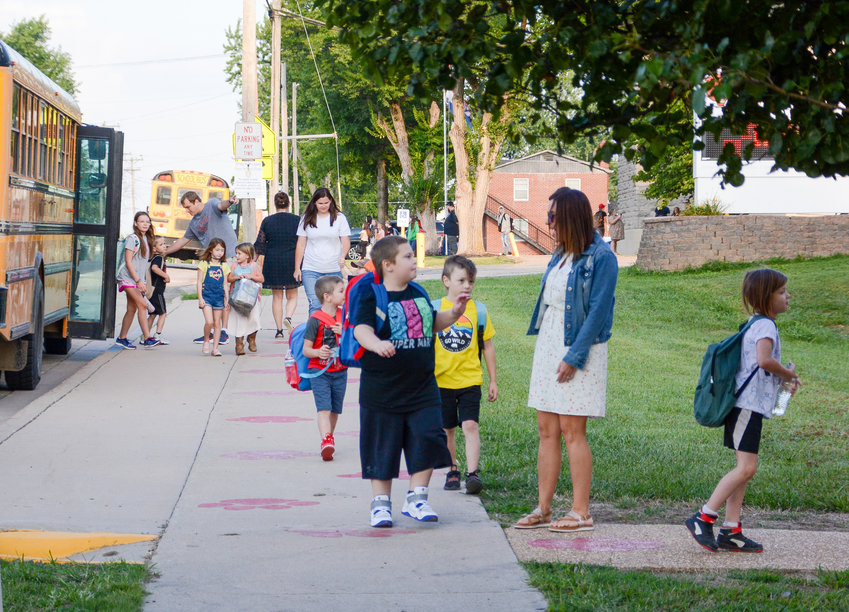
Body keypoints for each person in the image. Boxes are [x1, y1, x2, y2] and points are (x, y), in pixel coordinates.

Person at [513, 187, 618, 532]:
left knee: (573, 430)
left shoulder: (601, 257)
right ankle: (543, 508)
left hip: (580, 346)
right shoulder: (560, 253)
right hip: (549, 343)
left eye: (553, 215)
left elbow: (599, 313)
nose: (548, 221)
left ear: (570, 216)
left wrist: (574, 356)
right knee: (547, 430)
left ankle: (581, 511)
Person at [353, 236, 468, 528]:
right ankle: (380, 505)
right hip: (382, 390)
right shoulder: (372, 295)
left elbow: (431, 323)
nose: (413, 260)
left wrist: (453, 313)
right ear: (388, 265)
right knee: (383, 446)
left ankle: (417, 497)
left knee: (427, 438)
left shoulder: (417, 291)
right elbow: (360, 330)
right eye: (407, 256)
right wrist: (376, 344)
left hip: (422, 388)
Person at [685, 269, 800, 554]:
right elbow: (764, 361)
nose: (788, 296)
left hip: (748, 407)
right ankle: (703, 517)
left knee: (744, 470)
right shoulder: (766, 327)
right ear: (766, 296)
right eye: (782, 292)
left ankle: (730, 530)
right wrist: (787, 373)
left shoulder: (757, 323)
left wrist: (782, 378)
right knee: (747, 468)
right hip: (747, 406)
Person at [434, 255, 497, 494]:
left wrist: (493, 380)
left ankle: (472, 474)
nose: (467, 285)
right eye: (461, 280)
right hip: (442, 381)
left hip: (470, 380)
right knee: (447, 429)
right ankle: (452, 470)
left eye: (471, 281)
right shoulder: (435, 308)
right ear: (446, 281)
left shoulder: (478, 311)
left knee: (470, 425)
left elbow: (487, 347)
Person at [166, 190, 239, 345]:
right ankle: (213, 330)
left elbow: (222, 205)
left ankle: (223, 332)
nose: (187, 211)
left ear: (197, 201)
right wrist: (164, 252)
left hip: (228, 256)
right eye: (185, 208)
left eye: (188, 206)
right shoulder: (193, 223)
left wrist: (231, 201)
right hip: (212, 261)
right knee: (212, 293)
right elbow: (182, 241)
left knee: (224, 293)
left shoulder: (211, 204)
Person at [302, 275, 347, 461]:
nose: (344, 295)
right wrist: (318, 352)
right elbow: (306, 350)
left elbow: (353, 343)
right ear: (327, 297)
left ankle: (329, 438)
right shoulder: (315, 320)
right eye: (341, 291)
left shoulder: (344, 316)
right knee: (324, 409)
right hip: (319, 371)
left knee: (335, 410)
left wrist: (343, 332)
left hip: (340, 371)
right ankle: (326, 439)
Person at [293, 187, 351, 314]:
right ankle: (313, 333)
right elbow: (301, 244)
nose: (323, 206)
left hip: (333, 269)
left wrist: (343, 255)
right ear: (314, 203)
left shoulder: (339, 218)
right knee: (315, 303)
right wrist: (297, 267)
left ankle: (330, 332)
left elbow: (345, 240)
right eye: (320, 203)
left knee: (332, 304)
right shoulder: (306, 218)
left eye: (326, 203)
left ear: (330, 201)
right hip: (311, 268)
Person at [255, 192, 301, 339]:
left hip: (273, 261)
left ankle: (279, 330)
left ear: (275, 205)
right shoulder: (297, 220)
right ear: (289, 204)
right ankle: (288, 317)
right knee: (292, 295)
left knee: (277, 297)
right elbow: (303, 242)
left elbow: (260, 244)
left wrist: (252, 261)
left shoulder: (267, 221)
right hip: (292, 260)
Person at [115, 212, 160, 349]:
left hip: (136, 279)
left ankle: (122, 338)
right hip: (127, 278)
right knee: (142, 305)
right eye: (142, 221)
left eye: (147, 221)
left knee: (132, 309)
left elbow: (141, 263)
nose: (145, 224)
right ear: (136, 223)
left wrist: (142, 281)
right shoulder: (133, 239)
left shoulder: (146, 239)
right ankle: (147, 338)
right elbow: (128, 261)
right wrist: (138, 280)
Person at [227, 242, 264, 356]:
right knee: (240, 321)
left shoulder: (253, 266)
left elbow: (261, 279)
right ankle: (239, 344)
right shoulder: (234, 266)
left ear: (247, 255)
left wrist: (251, 276)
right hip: (237, 299)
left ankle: (251, 338)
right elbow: (229, 278)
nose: (237, 256)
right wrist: (236, 277)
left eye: (239, 253)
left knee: (254, 319)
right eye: (236, 253)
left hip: (251, 299)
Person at [196, 238, 231, 357]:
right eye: (217, 250)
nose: (220, 252)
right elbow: (199, 282)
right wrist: (200, 298)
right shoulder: (204, 264)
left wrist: (227, 299)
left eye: (222, 250)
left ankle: (215, 348)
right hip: (207, 296)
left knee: (217, 323)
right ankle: (206, 339)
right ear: (211, 250)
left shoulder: (224, 266)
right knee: (209, 322)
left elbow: (225, 284)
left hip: (219, 297)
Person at [147, 236, 171, 345]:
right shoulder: (158, 258)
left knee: (153, 314)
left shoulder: (151, 258)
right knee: (163, 313)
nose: (164, 246)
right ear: (154, 248)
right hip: (157, 291)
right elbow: (154, 268)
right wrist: (166, 276)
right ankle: (157, 336)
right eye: (161, 245)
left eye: (164, 243)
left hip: (151, 291)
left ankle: (145, 336)